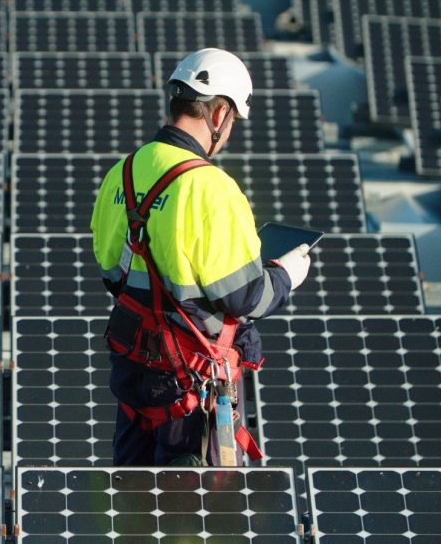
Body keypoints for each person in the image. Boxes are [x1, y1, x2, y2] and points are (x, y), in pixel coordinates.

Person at [89, 48, 312, 466]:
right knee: (199, 516)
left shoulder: (120, 173)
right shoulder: (212, 187)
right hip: (191, 387)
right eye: (233, 123)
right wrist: (284, 276)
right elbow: (245, 296)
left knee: (134, 505)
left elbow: (112, 273)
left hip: (135, 378)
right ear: (219, 113)